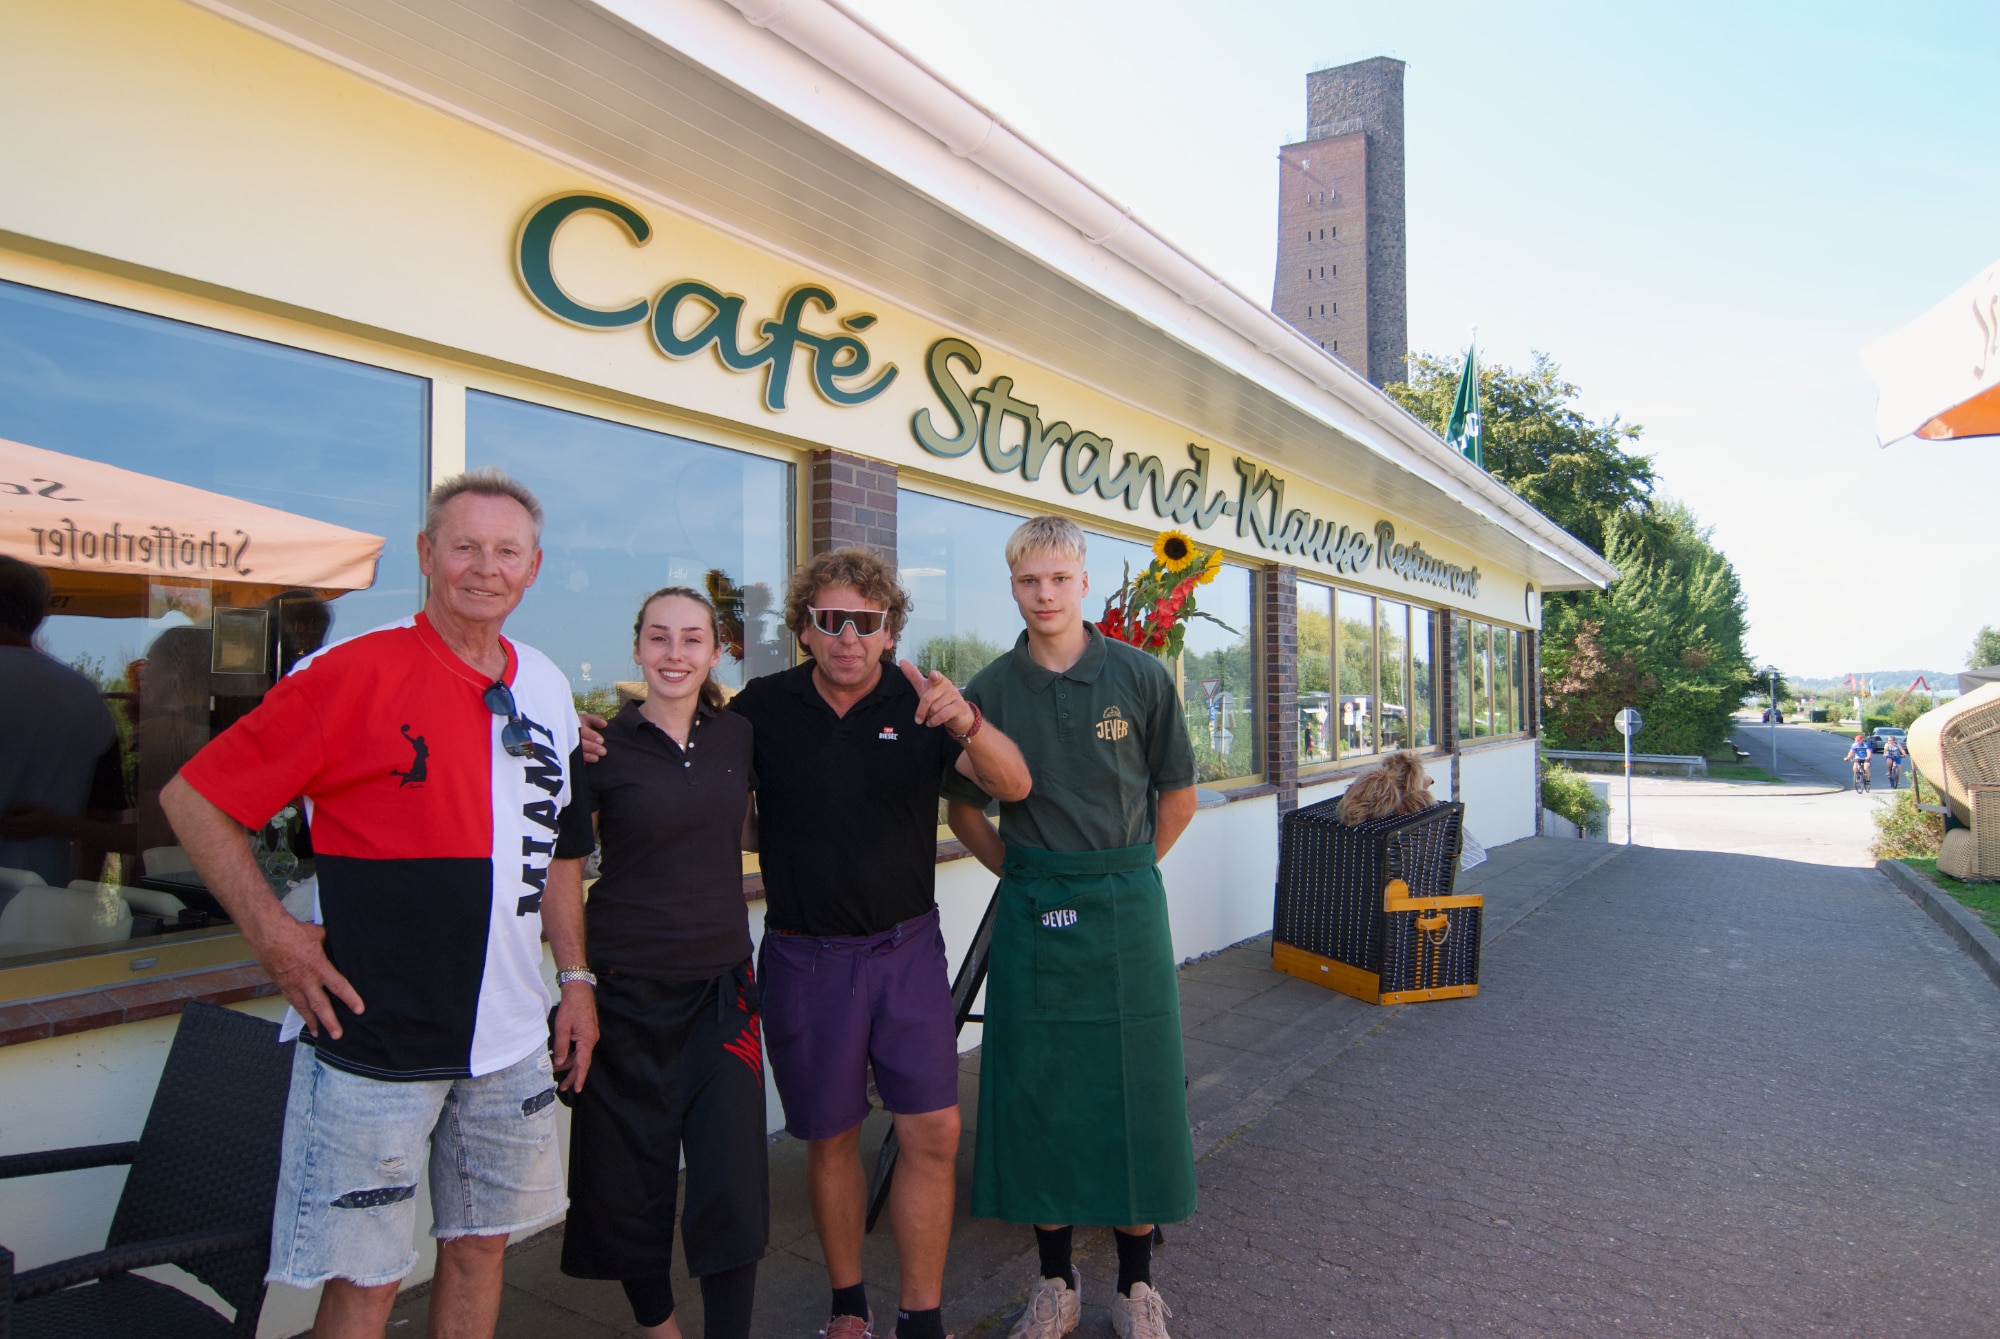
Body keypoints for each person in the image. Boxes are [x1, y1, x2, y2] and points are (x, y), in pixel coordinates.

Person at [160, 469, 589, 1339]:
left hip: (509, 1038)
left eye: (506, 550)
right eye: (463, 546)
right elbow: (193, 799)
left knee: (479, 1249)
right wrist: (276, 937)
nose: (484, 567)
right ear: (428, 556)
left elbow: (559, 851)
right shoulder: (346, 672)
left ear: (533, 567)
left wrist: (574, 974)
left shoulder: (544, 683)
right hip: (375, 1041)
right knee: (367, 1284)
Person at [729, 546, 1031, 1339]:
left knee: (933, 1129)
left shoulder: (920, 700)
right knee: (828, 1136)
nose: (848, 636)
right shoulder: (759, 707)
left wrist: (965, 716)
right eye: (830, 620)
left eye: (866, 622)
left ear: (890, 628)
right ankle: (848, 1304)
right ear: (804, 629)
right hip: (804, 956)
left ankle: (921, 1314)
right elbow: (719, 798)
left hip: (904, 953)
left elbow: (1013, 784)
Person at [942, 516, 1199, 1339]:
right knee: (1037, 1089)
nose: (1044, 594)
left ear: (1083, 581)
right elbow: (963, 809)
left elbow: (1177, 797)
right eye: (1028, 581)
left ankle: (1135, 1287)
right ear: (1013, 586)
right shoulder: (989, 691)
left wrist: (1120, 875)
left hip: (1126, 904)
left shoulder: (1142, 676)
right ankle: (1054, 1283)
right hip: (1035, 907)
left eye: (1058, 578)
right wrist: (1024, 873)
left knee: (1138, 1087)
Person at [547, 586, 766, 1338]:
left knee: (732, 1182)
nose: (676, 654)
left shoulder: (738, 736)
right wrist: (574, 981)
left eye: (692, 639)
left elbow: (764, 824)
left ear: (714, 651)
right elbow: (564, 869)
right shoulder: (600, 746)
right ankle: (659, 1328)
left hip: (723, 992)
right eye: (660, 638)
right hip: (625, 993)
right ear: (638, 645)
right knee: (627, 1180)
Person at [0, 555, 123, 900]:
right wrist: (82, 900)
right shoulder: (84, 695)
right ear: (41, 614)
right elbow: (101, 814)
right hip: (46, 904)